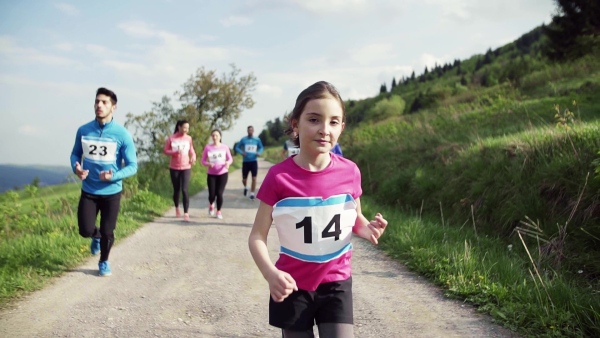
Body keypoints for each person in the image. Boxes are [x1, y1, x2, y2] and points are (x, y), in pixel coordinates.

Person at [248, 81, 388, 337]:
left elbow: (354, 217)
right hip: (292, 286)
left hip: (336, 283)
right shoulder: (278, 177)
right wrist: (270, 274)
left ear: (342, 127)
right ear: (295, 124)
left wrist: (366, 228)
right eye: (314, 119)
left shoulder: (350, 172)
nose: (325, 130)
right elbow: (257, 235)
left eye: (334, 122)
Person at [70, 87, 138, 277]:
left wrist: (113, 176)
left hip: (111, 192)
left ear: (113, 107)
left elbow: (133, 166)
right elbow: (76, 153)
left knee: (109, 231)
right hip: (89, 190)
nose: (99, 105)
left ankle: (104, 261)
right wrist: (76, 167)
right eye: (97, 101)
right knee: (84, 230)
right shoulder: (84, 130)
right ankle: (95, 236)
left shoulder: (122, 134)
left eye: (104, 102)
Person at [163, 120, 196, 222]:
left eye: (188, 128)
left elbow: (192, 150)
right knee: (176, 189)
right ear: (179, 127)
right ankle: (177, 208)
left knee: (185, 190)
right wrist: (175, 152)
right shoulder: (171, 138)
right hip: (174, 167)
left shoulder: (188, 138)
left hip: (186, 166)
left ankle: (186, 213)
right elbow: (165, 150)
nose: (186, 130)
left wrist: (193, 157)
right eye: (185, 127)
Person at [201, 129, 233, 219]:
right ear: (211, 137)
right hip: (211, 174)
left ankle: (218, 211)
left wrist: (228, 163)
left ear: (220, 137)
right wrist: (208, 164)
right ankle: (211, 204)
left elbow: (230, 159)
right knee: (212, 194)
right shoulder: (208, 147)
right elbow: (202, 161)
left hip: (222, 173)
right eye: (213, 136)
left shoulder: (225, 147)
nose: (215, 137)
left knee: (219, 193)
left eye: (216, 135)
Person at [234, 125, 264, 200]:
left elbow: (261, 147)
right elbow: (237, 147)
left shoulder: (257, 139)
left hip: (253, 161)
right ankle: (246, 187)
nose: (250, 131)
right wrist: (241, 152)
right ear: (247, 131)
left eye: (251, 130)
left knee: (254, 178)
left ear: (253, 131)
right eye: (249, 130)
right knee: (244, 179)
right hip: (246, 162)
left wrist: (259, 152)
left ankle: (252, 193)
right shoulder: (243, 139)